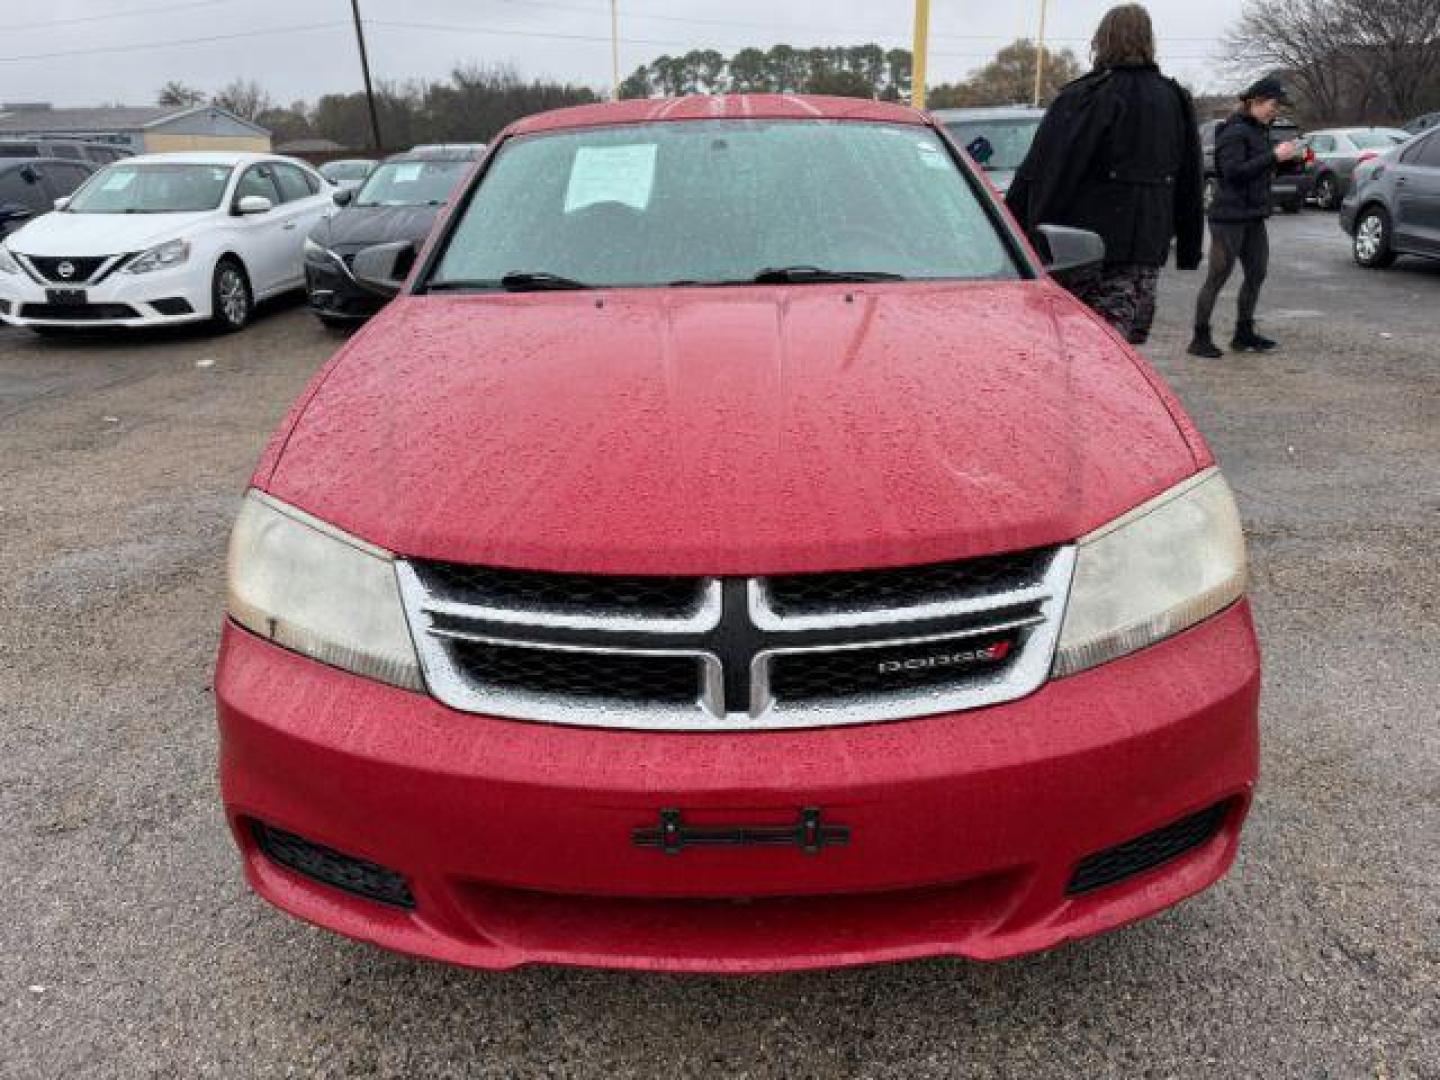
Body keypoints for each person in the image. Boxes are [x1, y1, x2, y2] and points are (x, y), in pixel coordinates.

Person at [1006, 3, 1203, 346]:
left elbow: (1046, 171)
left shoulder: (1086, 96)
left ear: (1102, 39)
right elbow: (1190, 180)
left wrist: (1013, 236)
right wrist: (1188, 245)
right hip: (1145, 250)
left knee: (1081, 349)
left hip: (1082, 252)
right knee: (1120, 353)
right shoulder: (1175, 98)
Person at [1188, 77, 1298, 358]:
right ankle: (1199, 338)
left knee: (1257, 273)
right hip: (1228, 217)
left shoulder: (1260, 130)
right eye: (1273, 105)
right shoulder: (1233, 131)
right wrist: (1273, 156)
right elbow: (1233, 172)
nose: (1276, 110)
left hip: (1253, 215)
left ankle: (1243, 333)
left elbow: (1259, 170)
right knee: (1218, 276)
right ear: (1256, 101)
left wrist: (1287, 162)